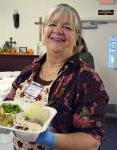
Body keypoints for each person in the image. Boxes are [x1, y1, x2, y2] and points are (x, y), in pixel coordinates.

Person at [6, 3, 109, 150]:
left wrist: (52, 139)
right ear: (43, 31)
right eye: (52, 24)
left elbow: (92, 141)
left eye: (67, 27)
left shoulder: (87, 79)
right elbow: (8, 104)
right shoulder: (28, 71)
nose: (58, 30)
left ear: (76, 38)